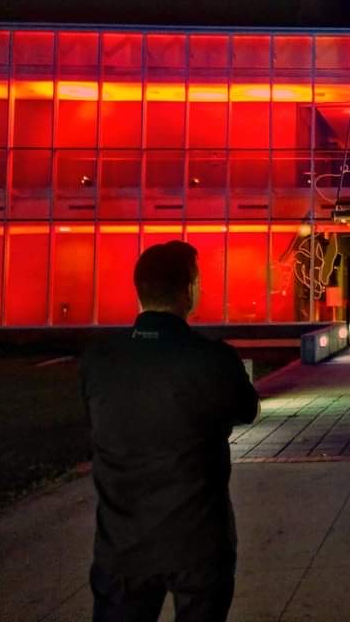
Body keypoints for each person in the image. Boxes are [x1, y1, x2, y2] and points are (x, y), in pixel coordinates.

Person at [80, 241, 259, 622]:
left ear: (138, 290)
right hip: (198, 538)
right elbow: (247, 410)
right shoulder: (212, 358)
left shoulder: (99, 360)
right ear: (190, 289)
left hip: (122, 542)